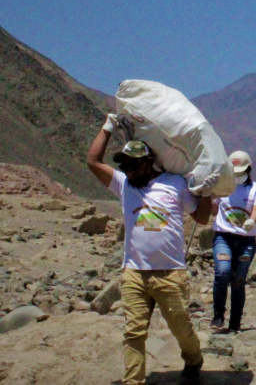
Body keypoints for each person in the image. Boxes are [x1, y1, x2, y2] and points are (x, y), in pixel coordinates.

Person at [86, 114, 213, 385]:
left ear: (147, 163)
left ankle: (193, 360)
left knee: (181, 328)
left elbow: (201, 219)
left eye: (133, 165)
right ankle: (134, 381)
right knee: (134, 333)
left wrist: (206, 192)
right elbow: (93, 162)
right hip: (134, 272)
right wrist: (107, 128)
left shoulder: (174, 183)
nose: (128, 170)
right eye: (125, 165)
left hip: (170, 272)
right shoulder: (124, 185)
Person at [209, 150, 256, 333]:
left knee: (239, 280)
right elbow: (212, 210)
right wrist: (207, 194)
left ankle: (235, 322)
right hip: (224, 236)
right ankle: (218, 314)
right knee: (223, 272)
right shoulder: (222, 187)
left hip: (245, 240)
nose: (237, 175)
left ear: (248, 169)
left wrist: (252, 220)